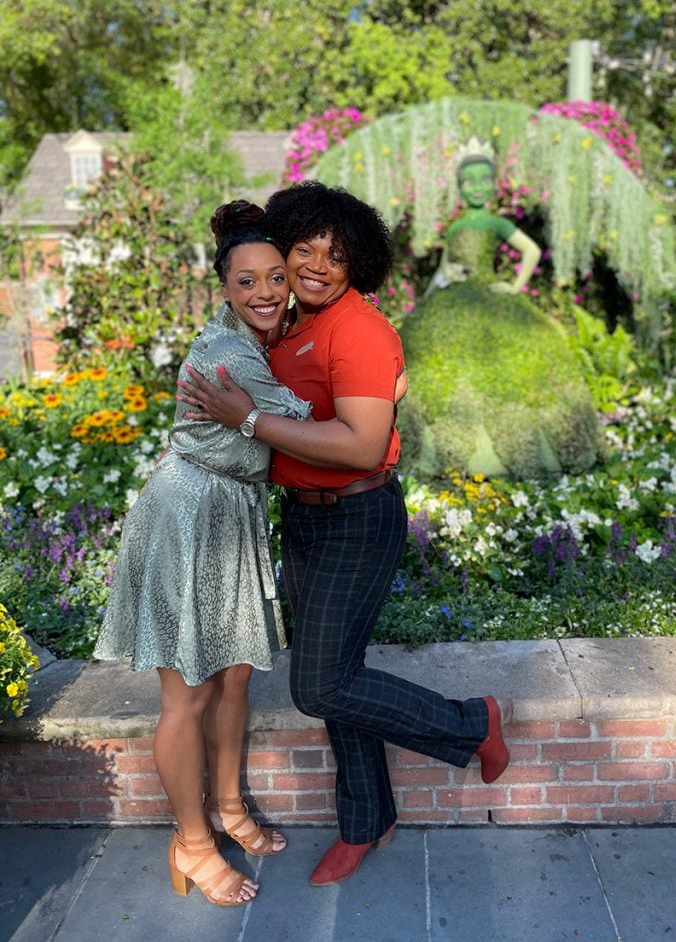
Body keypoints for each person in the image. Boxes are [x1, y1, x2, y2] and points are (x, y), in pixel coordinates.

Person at [176, 181, 513, 888]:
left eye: (337, 253)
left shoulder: (357, 328)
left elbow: (361, 447)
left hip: (356, 515)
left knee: (320, 684)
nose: (319, 265)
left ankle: (470, 722)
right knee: (343, 682)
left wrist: (248, 419)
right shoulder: (294, 324)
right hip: (305, 515)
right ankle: (366, 822)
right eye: (305, 249)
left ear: (358, 261)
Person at [94, 201, 314, 906]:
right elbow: (302, 418)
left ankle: (229, 809)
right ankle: (190, 842)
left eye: (276, 277)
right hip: (188, 512)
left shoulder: (252, 336)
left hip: (230, 512)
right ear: (223, 288)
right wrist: (386, 387)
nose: (266, 292)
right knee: (188, 692)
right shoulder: (228, 352)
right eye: (246, 282)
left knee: (235, 674)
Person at [423, 138, 541, 298]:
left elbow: (532, 250)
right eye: (469, 181)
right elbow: (443, 268)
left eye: (485, 180)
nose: (478, 187)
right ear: (460, 187)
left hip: (487, 294)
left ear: (493, 184)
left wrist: (515, 288)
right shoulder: (455, 227)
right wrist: (428, 297)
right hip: (454, 295)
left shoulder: (497, 223)